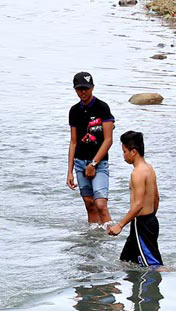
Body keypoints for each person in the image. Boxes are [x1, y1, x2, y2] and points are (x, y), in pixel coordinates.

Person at [107, 131, 163, 267]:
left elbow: (138, 205)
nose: (123, 156)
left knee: (153, 266)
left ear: (133, 151)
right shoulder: (149, 169)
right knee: (125, 261)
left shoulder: (137, 173)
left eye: (124, 151)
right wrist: (151, 217)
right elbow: (156, 197)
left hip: (141, 224)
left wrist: (120, 225)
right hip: (149, 221)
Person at [67, 72, 114, 224]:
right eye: (80, 89)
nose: (83, 92)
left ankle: (111, 236)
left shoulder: (102, 108)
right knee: (89, 203)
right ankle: (93, 239)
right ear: (75, 89)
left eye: (86, 88)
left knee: (100, 204)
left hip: (99, 163)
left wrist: (93, 164)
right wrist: (69, 171)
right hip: (80, 162)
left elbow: (108, 140)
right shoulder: (74, 111)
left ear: (92, 87)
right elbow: (73, 142)